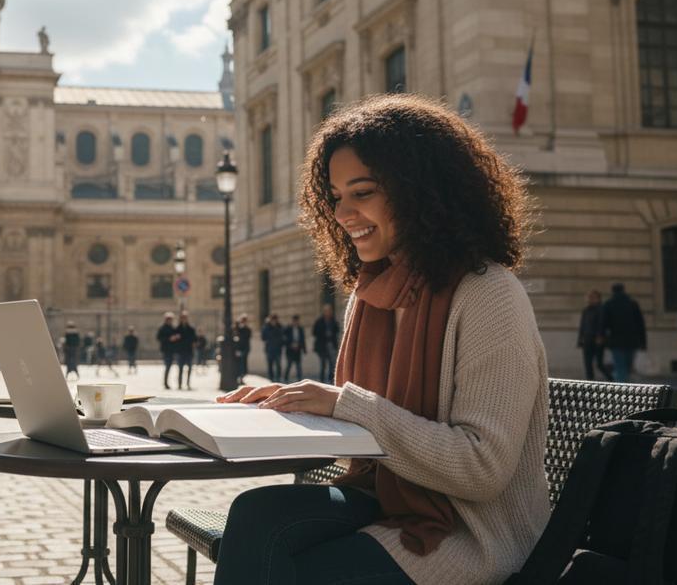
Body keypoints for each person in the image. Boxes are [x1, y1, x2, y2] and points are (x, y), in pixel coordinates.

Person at [213, 94, 545, 584]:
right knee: (256, 515)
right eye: (335, 196)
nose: (343, 213)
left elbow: (482, 468)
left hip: (472, 533)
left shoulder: (489, 294)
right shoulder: (370, 293)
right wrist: (290, 406)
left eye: (363, 192)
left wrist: (343, 403)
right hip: (388, 498)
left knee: (305, 572)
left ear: (421, 191)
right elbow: (363, 424)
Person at [600, 282, 646, 383]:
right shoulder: (633, 304)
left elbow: (603, 324)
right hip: (632, 340)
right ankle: (626, 384)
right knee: (628, 366)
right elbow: (640, 324)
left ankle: (622, 387)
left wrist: (602, 337)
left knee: (620, 366)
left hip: (616, 341)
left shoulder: (609, 304)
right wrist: (643, 342)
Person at [576, 289, 610, 381]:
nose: (589, 299)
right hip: (587, 339)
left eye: (592, 297)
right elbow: (583, 326)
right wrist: (580, 339)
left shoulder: (602, 309)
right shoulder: (586, 310)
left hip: (597, 340)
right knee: (587, 363)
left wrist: (600, 336)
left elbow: (602, 324)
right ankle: (589, 381)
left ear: (598, 298)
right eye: (588, 297)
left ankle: (611, 379)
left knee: (599, 364)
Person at [311, 304, 340, 384]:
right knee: (323, 364)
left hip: (331, 345)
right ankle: (322, 380)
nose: (329, 312)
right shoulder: (319, 321)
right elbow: (314, 332)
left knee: (332, 364)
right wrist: (324, 334)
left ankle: (331, 380)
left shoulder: (333, 320)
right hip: (322, 346)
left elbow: (337, 330)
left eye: (330, 310)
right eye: (327, 311)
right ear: (324, 312)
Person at [175, 311, 197, 390]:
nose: (184, 319)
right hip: (180, 351)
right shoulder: (177, 329)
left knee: (189, 368)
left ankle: (188, 383)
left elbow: (195, 339)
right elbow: (174, 340)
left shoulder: (191, 329)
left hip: (189, 351)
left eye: (185, 318)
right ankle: (180, 384)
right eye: (182, 318)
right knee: (180, 369)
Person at [283, 315, 306, 381]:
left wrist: (304, 349)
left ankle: (299, 379)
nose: (296, 322)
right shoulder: (288, 328)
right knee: (289, 364)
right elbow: (284, 338)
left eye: (297, 321)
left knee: (298, 365)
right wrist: (290, 344)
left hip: (298, 350)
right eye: (294, 321)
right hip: (290, 350)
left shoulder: (300, 329)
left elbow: (302, 339)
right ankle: (285, 378)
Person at [261, 314, 284, 383]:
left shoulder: (279, 327)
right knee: (270, 365)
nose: (274, 322)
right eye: (272, 320)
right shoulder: (266, 327)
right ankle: (271, 378)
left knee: (278, 365)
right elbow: (263, 338)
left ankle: (278, 378)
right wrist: (266, 326)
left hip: (278, 349)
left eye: (275, 320)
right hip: (269, 349)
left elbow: (282, 337)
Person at [156, 312, 176, 389]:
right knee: (167, 366)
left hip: (172, 350)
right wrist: (168, 339)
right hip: (166, 350)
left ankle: (166, 382)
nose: (170, 321)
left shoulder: (173, 328)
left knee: (169, 366)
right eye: (168, 319)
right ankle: (165, 382)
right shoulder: (162, 328)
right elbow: (159, 338)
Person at [234, 314, 252, 384]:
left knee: (243, 364)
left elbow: (246, 338)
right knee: (239, 364)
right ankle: (239, 378)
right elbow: (235, 333)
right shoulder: (238, 329)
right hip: (238, 349)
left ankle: (242, 377)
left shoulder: (247, 329)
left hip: (245, 349)